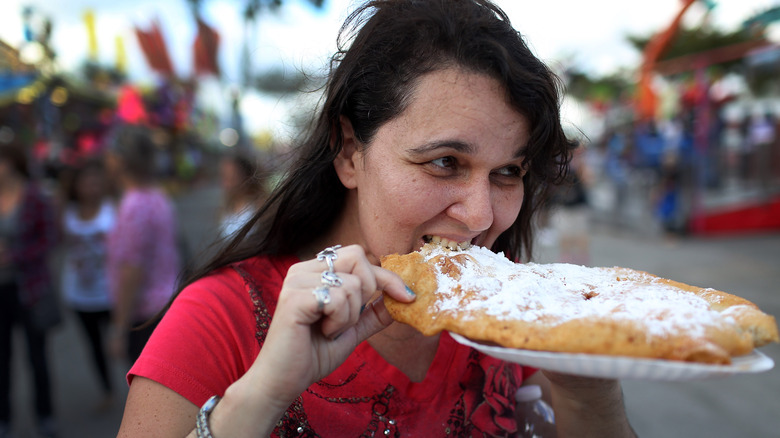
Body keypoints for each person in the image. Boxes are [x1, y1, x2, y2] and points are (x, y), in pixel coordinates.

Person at [118, 1, 637, 436]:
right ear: (349, 153)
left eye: (508, 171)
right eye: (444, 162)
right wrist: (262, 393)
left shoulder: (507, 317)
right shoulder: (219, 319)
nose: (481, 215)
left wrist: (590, 389)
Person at [104, 125, 180, 365]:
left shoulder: (134, 205)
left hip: (146, 315)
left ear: (121, 160)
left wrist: (119, 327)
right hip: (165, 305)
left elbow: (132, 270)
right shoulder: (157, 195)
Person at [0, 144, 59, 438]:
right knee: (2, 359)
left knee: (37, 357)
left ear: (10, 162)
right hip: (2, 291)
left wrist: (15, 256)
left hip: (30, 288)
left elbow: (49, 239)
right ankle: (4, 418)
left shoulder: (34, 196)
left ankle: (45, 417)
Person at [58, 157, 117, 410]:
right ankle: (107, 390)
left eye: (96, 181)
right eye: (86, 182)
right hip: (80, 294)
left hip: (111, 292)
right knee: (95, 346)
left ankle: (141, 391)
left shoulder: (112, 209)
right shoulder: (67, 212)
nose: (91, 187)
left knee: (123, 342)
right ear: (77, 186)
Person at [217, 153, 265, 239]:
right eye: (224, 177)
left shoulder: (260, 206)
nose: (226, 185)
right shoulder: (225, 206)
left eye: (232, 178)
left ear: (246, 177)